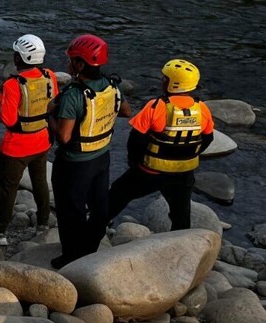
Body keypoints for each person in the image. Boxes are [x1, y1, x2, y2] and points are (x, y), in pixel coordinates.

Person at [49, 33, 132, 268]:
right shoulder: (112, 85)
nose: (68, 64)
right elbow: (126, 111)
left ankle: (70, 256)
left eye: (71, 60)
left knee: (70, 211)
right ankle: (90, 248)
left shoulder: (74, 95)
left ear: (80, 64)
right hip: (102, 157)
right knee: (98, 205)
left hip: (75, 163)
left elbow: (64, 136)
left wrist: (49, 114)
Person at [107, 59, 215, 231]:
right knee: (181, 214)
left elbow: (135, 139)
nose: (162, 81)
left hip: (151, 171)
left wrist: (135, 163)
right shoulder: (202, 108)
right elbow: (208, 139)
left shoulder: (156, 106)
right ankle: (182, 246)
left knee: (118, 193)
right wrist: (188, 154)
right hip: (183, 173)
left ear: (174, 84)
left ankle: (96, 225)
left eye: (165, 78)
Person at [0, 34, 58, 246]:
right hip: (42, 140)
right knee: (40, 183)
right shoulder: (50, 76)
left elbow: (7, 119)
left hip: (16, 147)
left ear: (20, 58)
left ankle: (0, 232)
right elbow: (53, 103)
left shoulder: (12, 84)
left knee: (8, 189)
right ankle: (43, 223)